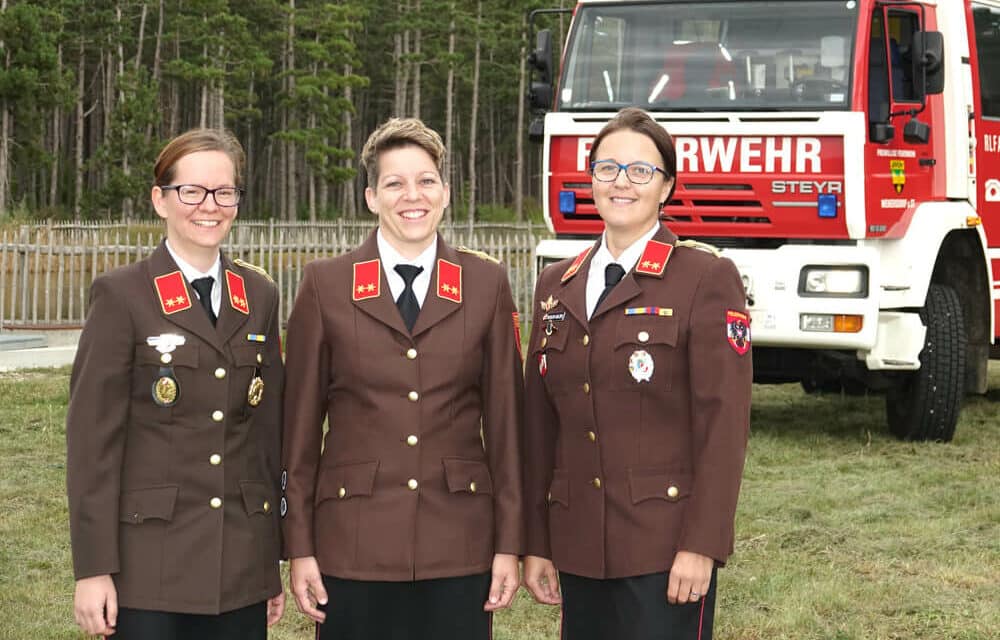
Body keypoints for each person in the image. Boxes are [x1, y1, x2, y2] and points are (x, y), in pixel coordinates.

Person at [280, 117, 524, 640]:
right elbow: (298, 435)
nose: (412, 196)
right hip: (354, 543)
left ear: (446, 192)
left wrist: (509, 544)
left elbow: (507, 428)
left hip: (459, 541)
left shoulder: (486, 284)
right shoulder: (326, 286)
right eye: (394, 183)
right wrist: (299, 548)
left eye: (426, 181)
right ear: (371, 197)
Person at [521, 107, 752, 640]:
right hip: (578, 544)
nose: (621, 183)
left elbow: (724, 424)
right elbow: (540, 427)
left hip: (664, 548)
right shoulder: (557, 285)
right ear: (591, 179)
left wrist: (702, 544)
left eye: (640, 171)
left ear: (666, 186)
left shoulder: (704, 278)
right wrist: (537, 540)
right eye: (608, 168)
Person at [66, 129, 285, 639]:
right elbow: (92, 444)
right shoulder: (122, 296)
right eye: (191, 191)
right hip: (149, 568)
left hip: (240, 566)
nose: (209, 206)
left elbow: (267, 438)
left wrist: (271, 558)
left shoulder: (259, 295)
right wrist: (93, 568)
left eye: (224, 192)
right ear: (159, 200)